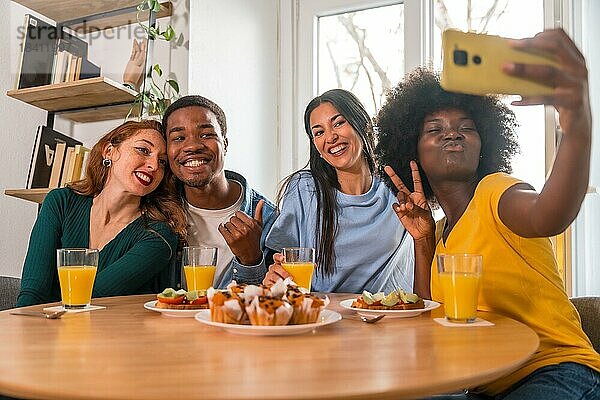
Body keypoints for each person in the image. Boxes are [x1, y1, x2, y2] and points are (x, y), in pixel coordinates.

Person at [375, 29, 600, 399]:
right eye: (435, 130)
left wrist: (576, 123)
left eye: (467, 128)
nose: (453, 135)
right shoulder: (444, 231)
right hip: (485, 386)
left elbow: (550, 215)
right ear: (411, 152)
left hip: (556, 370)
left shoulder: (496, 192)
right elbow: (430, 322)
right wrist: (423, 239)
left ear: (485, 144)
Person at [263, 89, 431, 297]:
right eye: (319, 132)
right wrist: (276, 276)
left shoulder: (397, 190)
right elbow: (280, 265)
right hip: (323, 318)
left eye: (338, 123)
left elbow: (424, 287)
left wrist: (425, 233)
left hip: (387, 318)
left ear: (363, 125)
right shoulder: (303, 189)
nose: (331, 137)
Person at [17, 120, 186, 307]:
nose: (154, 165)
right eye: (143, 150)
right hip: (42, 328)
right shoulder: (61, 202)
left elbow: (92, 299)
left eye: (162, 162)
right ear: (109, 151)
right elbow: (32, 293)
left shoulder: (158, 235)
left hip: (110, 333)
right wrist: (25, 330)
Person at [162, 95, 277, 288]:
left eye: (206, 135)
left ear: (225, 144)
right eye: (179, 138)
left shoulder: (269, 219)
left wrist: (251, 260)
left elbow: (271, 303)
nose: (192, 146)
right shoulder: (158, 212)